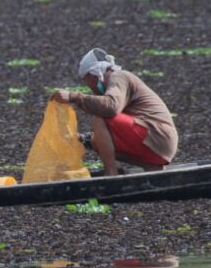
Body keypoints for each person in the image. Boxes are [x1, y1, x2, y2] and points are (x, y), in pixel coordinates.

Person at [51, 48, 177, 176]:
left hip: (157, 136)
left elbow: (111, 107)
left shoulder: (118, 76)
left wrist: (74, 96)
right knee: (96, 141)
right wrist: (80, 139)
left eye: (86, 80)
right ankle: (151, 167)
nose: (89, 86)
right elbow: (106, 133)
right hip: (159, 145)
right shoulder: (114, 84)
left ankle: (111, 173)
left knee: (102, 116)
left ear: (93, 75)